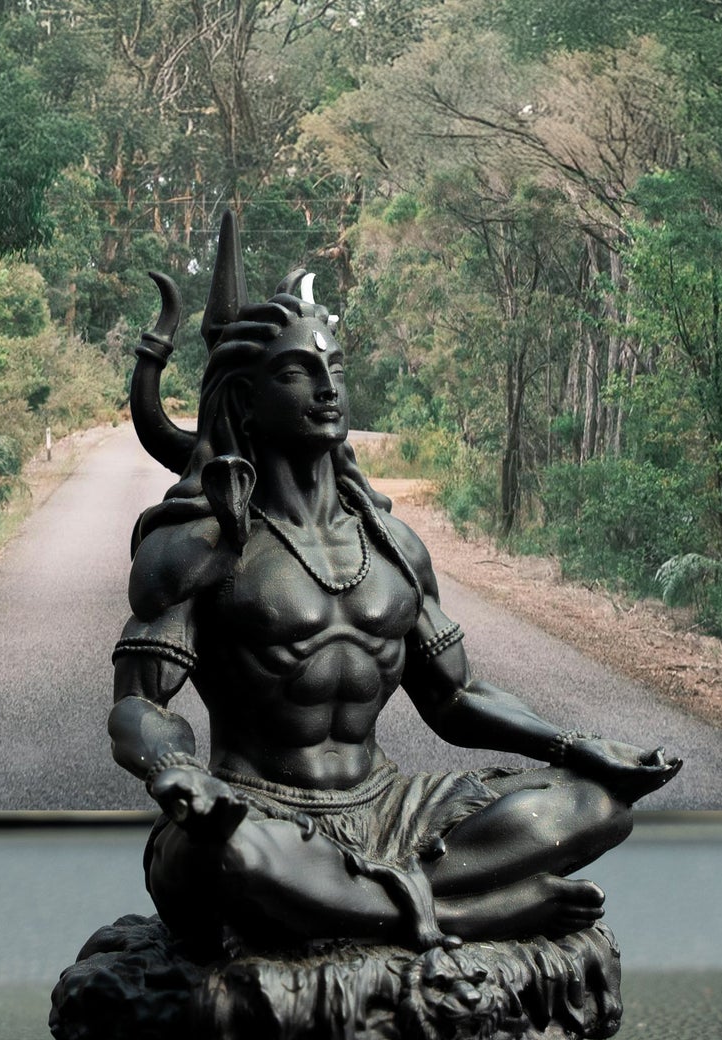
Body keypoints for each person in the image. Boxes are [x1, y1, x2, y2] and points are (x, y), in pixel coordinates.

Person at [110, 226, 680, 955]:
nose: (327, 387)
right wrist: (177, 772)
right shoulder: (196, 547)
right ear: (245, 401)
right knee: (219, 857)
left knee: (596, 805)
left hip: (389, 807)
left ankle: (354, 907)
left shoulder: (392, 545)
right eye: (294, 373)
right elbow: (135, 704)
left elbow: (455, 697)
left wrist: (578, 742)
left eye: (333, 365)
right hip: (256, 811)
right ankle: (466, 913)